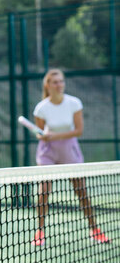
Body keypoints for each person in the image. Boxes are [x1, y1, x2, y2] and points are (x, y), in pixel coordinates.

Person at [30, 69, 109, 247]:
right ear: (48, 86)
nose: (59, 85)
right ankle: (40, 232)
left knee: (81, 190)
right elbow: (41, 133)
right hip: (48, 151)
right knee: (43, 191)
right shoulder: (41, 108)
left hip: (69, 149)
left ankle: (95, 230)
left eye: (61, 81)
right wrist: (42, 137)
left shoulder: (74, 103)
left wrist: (53, 136)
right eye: (55, 82)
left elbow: (78, 131)